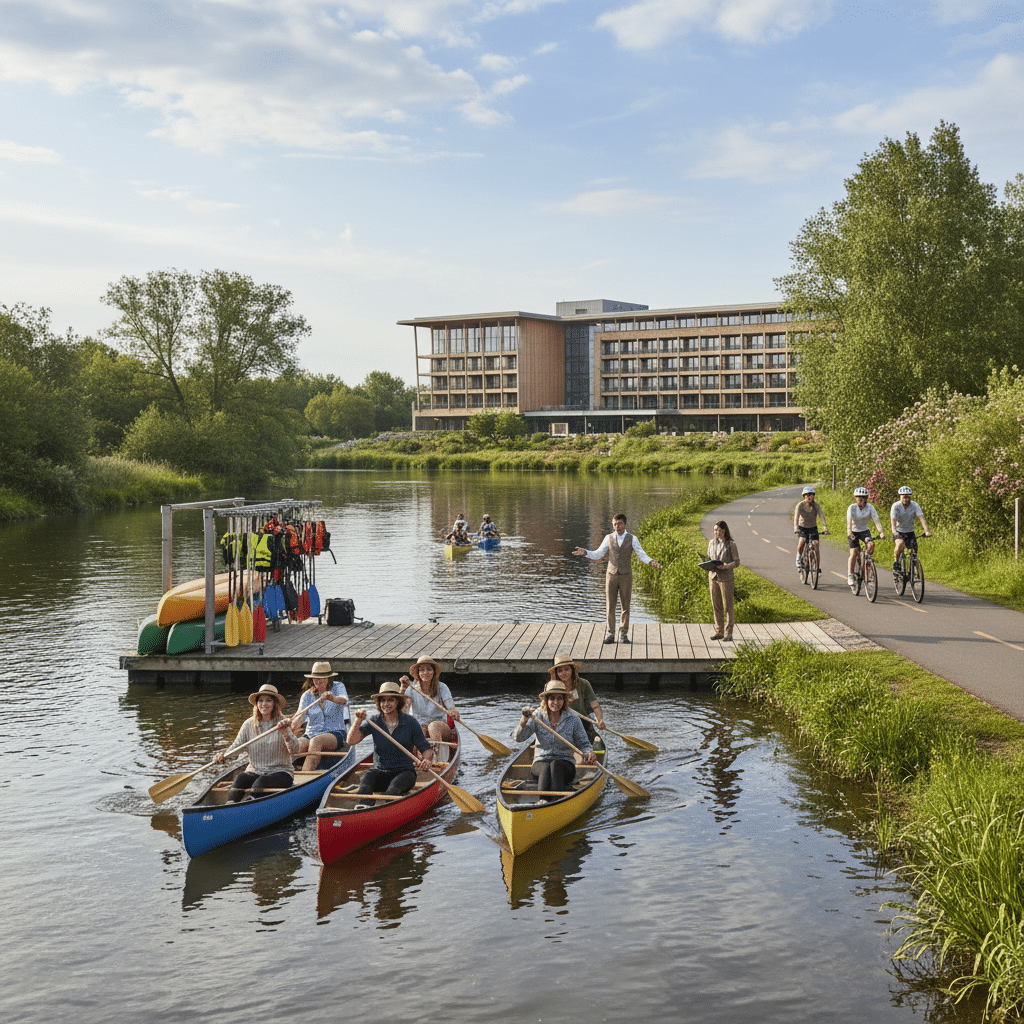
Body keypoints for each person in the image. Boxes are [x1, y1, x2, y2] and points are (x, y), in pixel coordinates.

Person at [573, 512, 662, 644]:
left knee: (625, 606)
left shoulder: (633, 539)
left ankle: (623, 634)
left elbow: (641, 554)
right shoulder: (608, 538)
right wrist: (586, 552)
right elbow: (598, 554)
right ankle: (610, 634)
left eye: (620, 523)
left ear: (625, 524)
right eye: (615, 524)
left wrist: (651, 562)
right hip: (611, 575)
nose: (617, 526)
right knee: (610, 606)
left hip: (626, 575)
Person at [346, 681, 435, 797]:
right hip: (380, 771)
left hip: (404, 773)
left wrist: (427, 760)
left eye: (391, 700)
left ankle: (386, 808)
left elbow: (425, 748)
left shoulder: (410, 722)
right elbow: (351, 741)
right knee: (364, 783)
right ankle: (363, 809)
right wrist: (358, 720)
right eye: (383, 700)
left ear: (398, 702)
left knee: (391, 793)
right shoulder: (374, 721)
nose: (386, 704)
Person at [214, 683, 300, 802]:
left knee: (260, 783)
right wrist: (224, 756)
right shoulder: (249, 724)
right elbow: (237, 746)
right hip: (256, 770)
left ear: (274, 704)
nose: (264, 704)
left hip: (281, 772)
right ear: (257, 704)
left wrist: (285, 733)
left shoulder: (282, 723)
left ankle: (249, 805)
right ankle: (229, 806)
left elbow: (295, 750)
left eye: (268, 700)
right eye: (261, 701)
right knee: (241, 777)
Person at [513, 680, 597, 794]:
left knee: (555, 765)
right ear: (546, 700)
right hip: (541, 764)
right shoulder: (537, 715)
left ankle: (554, 799)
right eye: (552, 698)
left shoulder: (573, 718)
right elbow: (518, 738)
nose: (556, 702)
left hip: (566, 765)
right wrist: (523, 722)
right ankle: (543, 800)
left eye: (559, 698)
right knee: (547, 767)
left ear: (564, 700)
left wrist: (589, 753)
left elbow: (584, 744)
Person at [291, 660, 349, 771]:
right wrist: (292, 725)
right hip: (311, 733)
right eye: (315, 678)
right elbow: (300, 717)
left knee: (316, 741)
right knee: (295, 747)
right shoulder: (307, 695)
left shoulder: (338, 687)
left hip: (335, 732)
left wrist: (333, 698)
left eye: (321, 678)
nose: (318, 681)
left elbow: (344, 701)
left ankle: (305, 776)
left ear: (328, 678)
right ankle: (285, 773)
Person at [399, 655, 461, 743]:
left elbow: (451, 707)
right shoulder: (411, 689)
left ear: (433, 672)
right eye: (422, 670)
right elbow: (403, 712)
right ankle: (424, 752)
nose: (425, 673)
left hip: (440, 726)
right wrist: (402, 693)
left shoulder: (442, 687)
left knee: (433, 727)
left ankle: (436, 751)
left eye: (429, 669)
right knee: (420, 730)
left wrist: (453, 711)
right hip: (420, 725)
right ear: (418, 673)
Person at [547, 654, 605, 743]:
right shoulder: (551, 687)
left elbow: (595, 706)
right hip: (560, 724)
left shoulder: (583, 684)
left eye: (567, 669)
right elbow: (545, 709)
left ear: (572, 670)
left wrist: (600, 720)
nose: (564, 673)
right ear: (556, 673)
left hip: (582, 723)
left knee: (595, 742)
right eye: (560, 671)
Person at [706, 520, 740, 642]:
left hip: (726, 578)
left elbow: (737, 562)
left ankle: (728, 633)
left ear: (725, 531)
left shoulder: (731, 544)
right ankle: (719, 631)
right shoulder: (711, 543)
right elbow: (709, 558)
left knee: (728, 606)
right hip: (713, 576)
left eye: (719, 530)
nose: (717, 532)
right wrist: (708, 565)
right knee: (716, 605)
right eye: (715, 530)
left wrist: (725, 566)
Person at [846, 486, 885, 586]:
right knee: (854, 552)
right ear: (855, 498)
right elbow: (849, 522)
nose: (861, 500)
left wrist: (881, 531)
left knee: (871, 546)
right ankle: (850, 575)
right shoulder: (852, 508)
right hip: (853, 531)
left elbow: (876, 520)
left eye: (864, 497)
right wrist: (849, 532)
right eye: (859, 497)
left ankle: (868, 572)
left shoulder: (870, 507)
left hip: (864, 531)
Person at [890, 486, 931, 572]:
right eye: (903, 496)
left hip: (910, 532)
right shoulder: (896, 506)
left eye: (907, 497)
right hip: (899, 531)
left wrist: (926, 531)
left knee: (913, 552)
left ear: (910, 497)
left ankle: (914, 572)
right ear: (900, 496)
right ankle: (896, 563)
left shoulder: (915, 505)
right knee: (900, 544)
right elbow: (893, 519)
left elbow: (921, 518)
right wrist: (894, 530)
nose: (905, 499)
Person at [792, 486, 829, 570]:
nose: (809, 497)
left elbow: (821, 516)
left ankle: (817, 566)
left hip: (812, 528)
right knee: (802, 540)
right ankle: (799, 557)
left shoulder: (816, 506)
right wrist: (795, 527)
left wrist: (825, 527)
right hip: (802, 527)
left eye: (811, 495)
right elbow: (796, 517)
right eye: (807, 495)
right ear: (804, 496)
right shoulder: (800, 505)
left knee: (816, 544)